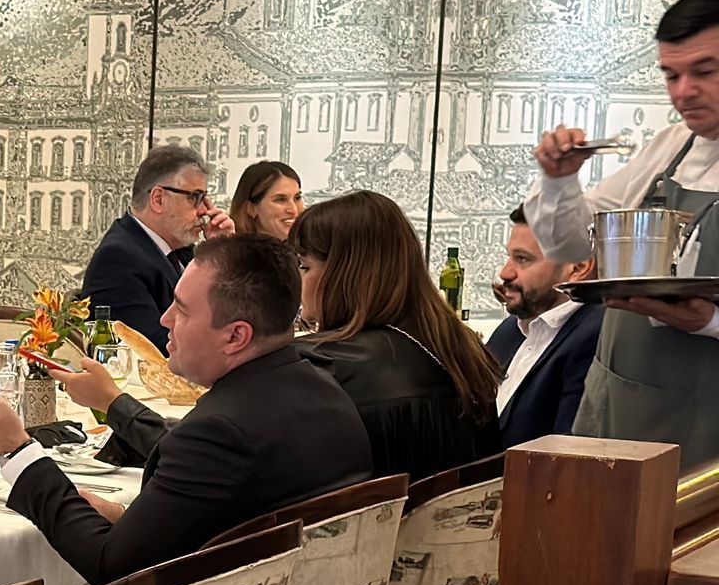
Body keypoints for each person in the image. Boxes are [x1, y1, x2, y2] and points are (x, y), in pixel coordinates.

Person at [0, 235, 373, 585]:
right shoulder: (327, 391)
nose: (165, 320)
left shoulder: (219, 430)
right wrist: (134, 519)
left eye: (182, 309)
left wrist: (16, 447)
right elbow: (231, 517)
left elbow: (111, 567)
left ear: (236, 336)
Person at [531, 0, 719, 468]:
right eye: (671, 75)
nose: (682, 92)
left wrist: (710, 322)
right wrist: (559, 182)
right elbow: (568, 243)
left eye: (705, 71)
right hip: (619, 401)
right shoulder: (672, 146)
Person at [290, 191, 502, 481]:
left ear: (344, 273)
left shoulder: (322, 365)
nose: (298, 277)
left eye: (304, 266)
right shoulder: (461, 347)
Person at [77, 145, 236, 347]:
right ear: (158, 199)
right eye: (195, 197)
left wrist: (220, 252)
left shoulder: (180, 249)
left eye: (205, 198)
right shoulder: (118, 259)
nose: (205, 210)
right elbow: (157, 350)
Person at [487, 206, 604, 448]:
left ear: (578, 268)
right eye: (509, 256)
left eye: (523, 259)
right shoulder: (509, 331)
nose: (505, 272)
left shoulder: (595, 337)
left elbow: (564, 455)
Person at [229, 161, 304, 241]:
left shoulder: (308, 249)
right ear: (251, 208)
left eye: (297, 198)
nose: (294, 210)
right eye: (281, 199)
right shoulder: (234, 252)